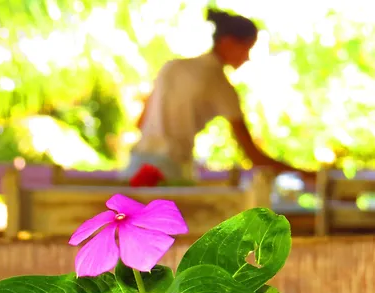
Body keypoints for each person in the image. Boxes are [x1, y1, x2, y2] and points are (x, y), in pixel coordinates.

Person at [124, 9, 313, 182]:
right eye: (247, 48)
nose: (247, 57)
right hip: (168, 174)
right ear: (227, 42)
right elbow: (253, 155)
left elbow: (140, 123)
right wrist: (307, 175)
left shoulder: (172, 67)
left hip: (135, 167)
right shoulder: (219, 84)